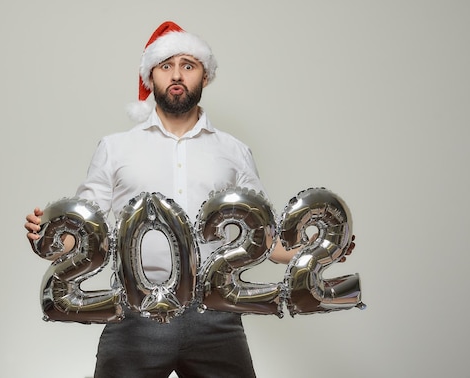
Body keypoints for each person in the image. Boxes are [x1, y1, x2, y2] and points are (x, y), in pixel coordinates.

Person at [25, 21, 354, 378]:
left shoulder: (234, 152)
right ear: (151, 77)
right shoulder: (116, 149)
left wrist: (319, 251)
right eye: (166, 66)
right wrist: (50, 237)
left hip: (215, 317)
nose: (177, 75)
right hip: (135, 316)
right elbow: (88, 227)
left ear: (204, 76)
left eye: (188, 65)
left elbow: (263, 238)